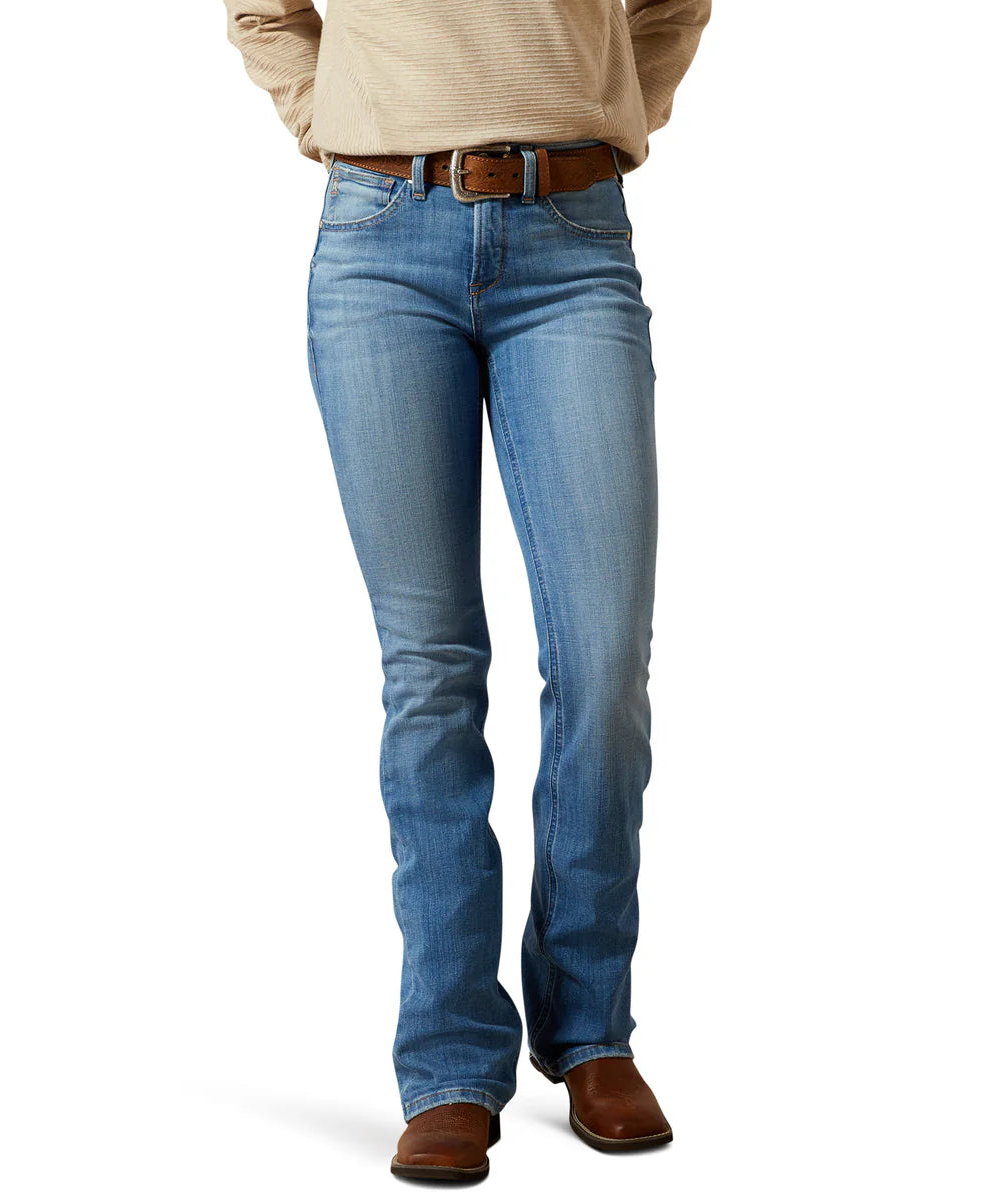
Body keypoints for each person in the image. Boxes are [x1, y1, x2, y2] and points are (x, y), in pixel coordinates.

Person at [223, 0, 711, 1181]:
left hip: (574, 241)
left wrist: (606, 108)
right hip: (380, 244)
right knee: (431, 671)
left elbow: (673, 5)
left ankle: (591, 1030)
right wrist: (342, 119)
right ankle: (447, 1061)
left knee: (603, 662)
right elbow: (264, 11)